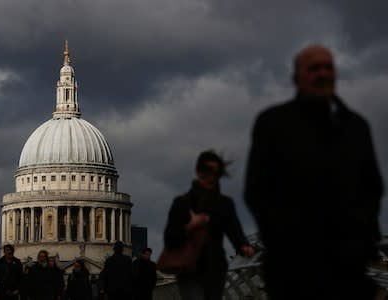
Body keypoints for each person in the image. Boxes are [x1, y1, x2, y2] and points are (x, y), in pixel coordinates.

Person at [244, 45, 384, 300]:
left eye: (328, 67)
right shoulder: (272, 124)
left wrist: (363, 237)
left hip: (348, 264)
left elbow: (372, 186)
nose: (323, 74)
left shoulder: (356, 127)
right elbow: (256, 190)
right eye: (314, 68)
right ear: (297, 78)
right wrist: (282, 240)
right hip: (293, 265)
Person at [163, 151, 254, 300]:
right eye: (208, 172)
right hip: (189, 268)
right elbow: (170, 238)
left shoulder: (225, 204)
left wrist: (244, 245)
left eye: (216, 173)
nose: (212, 177)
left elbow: (234, 230)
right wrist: (190, 227)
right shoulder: (182, 203)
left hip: (215, 267)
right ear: (198, 172)